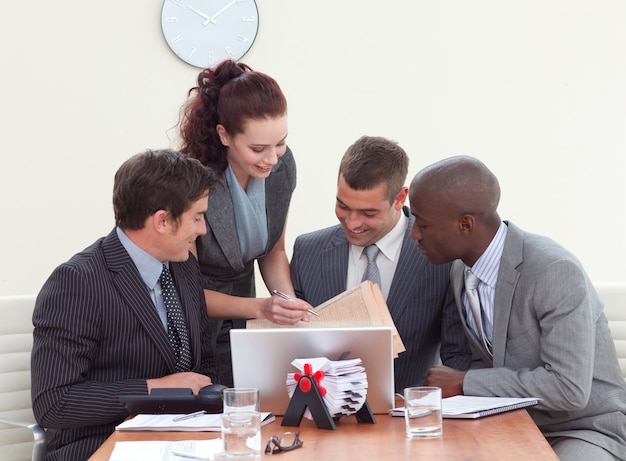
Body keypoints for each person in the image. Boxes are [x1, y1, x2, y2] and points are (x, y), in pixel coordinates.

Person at [409, 155, 626, 461]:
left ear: (465, 225)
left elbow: (568, 388)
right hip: (510, 423)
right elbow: (487, 358)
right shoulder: (462, 270)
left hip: (582, 428)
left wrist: (463, 382)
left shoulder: (554, 270)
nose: (414, 233)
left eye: (423, 223)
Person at [31, 149, 219, 461]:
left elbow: (205, 365)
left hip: (182, 439)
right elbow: (54, 402)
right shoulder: (77, 282)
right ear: (161, 221)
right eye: (197, 218)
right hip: (100, 444)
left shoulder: (183, 267)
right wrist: (156, 389)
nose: (202, 230)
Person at [290, 136, 472, 393]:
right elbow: (291, 347)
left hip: (411, 415)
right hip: (323, 415)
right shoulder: (307, 251)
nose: (352, 223)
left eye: (368, 213)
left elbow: (458, 357)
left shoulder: (442, 259)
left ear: (400, 198)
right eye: (342, 206)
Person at [177, 59, 312, 387]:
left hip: (247, 313)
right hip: (192, 320)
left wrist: (287, 304)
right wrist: (262, 308)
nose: (272, 158)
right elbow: (188, 291)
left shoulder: (281, 165)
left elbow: (273, 251)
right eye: (258, 148)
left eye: (280, 142)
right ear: (224, 135)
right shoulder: (188, 180)